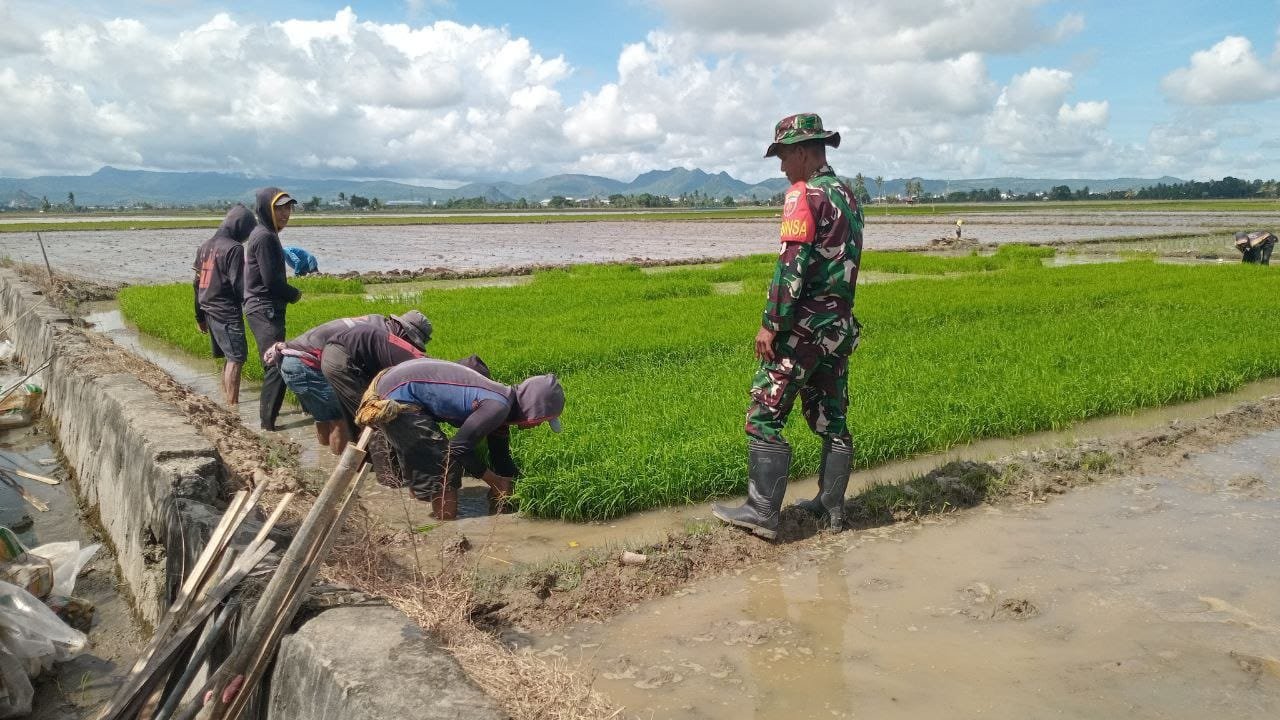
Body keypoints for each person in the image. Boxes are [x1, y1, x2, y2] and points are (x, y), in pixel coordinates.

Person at [711, 112, 864, 540]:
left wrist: (771, 325)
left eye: (782, 156)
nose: (780, 167)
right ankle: (832, 506)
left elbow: (790, 267)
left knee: (764, 411)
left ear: (801, 152)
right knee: (831, 414)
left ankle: (762, 512)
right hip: (838, 328)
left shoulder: (804, 194)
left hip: (804, 329)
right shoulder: (848, 196)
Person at [356, 358, 564, 520]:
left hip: (396, 382)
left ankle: (422, 505)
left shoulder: (503, 404)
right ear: (533, 410)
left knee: (427, 462)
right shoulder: (497, 407)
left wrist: (519, 485)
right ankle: (446, 528)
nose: (537, 425)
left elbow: (501, 456)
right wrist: (495, 481)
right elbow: (458, 448)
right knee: (444, 466)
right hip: (396, 395)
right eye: (541, 420)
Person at [262, 312, 423, 455]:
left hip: (290, 361)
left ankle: (324, 458)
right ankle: (337, 462)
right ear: (404, 331)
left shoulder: (375, 320)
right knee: (340, 419)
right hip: (307, 364)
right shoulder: (382, 335)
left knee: (323, 417)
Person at [317, 310, 434, 439]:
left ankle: (357, 455)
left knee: (356, 419)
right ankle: (378, 456)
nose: (411, 345)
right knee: (373, 417)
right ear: (405, 332)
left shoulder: (381, 331)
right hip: (342, 361)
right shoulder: (392, 342)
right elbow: (421, 371)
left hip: (333, 357)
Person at [244, 187, 302, 431]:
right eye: (280, 208)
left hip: (262, 307)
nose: (286, 213)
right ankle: (268, 426)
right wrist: (294, 294)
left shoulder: (265, 233)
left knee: (273, 361)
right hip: (264, 306)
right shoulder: (265, 236)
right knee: (276, 363)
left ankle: (267, 421)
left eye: (288, 208)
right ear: (266, 209)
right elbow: (271, 281)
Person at [192, 204, 255, 407]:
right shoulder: (234, 248)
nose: (246, 238)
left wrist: (199, 316)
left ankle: (225, 403)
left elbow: (196, 284)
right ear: (240, 226)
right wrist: (253, 308)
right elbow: (239, 285)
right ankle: (232, 406)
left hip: (208, 308)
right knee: (236, 358)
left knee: (229, 359)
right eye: (247, 232)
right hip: (226, 311)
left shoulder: (205, 246)